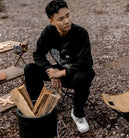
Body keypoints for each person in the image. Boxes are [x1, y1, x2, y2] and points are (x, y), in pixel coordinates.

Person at [24, 0, 95, 133]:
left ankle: (78, 114)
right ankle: (38, 107)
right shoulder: (48, 33)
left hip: (79, 73)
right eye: (61, 19)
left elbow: (85, 62)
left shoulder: (80, 33)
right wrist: (50, 71)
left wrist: (60, 74)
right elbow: (38, 54)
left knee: (82, 76)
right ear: (51, 21)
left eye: (68, 15)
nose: (67, 21)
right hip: (59, 70)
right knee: (30, 69)